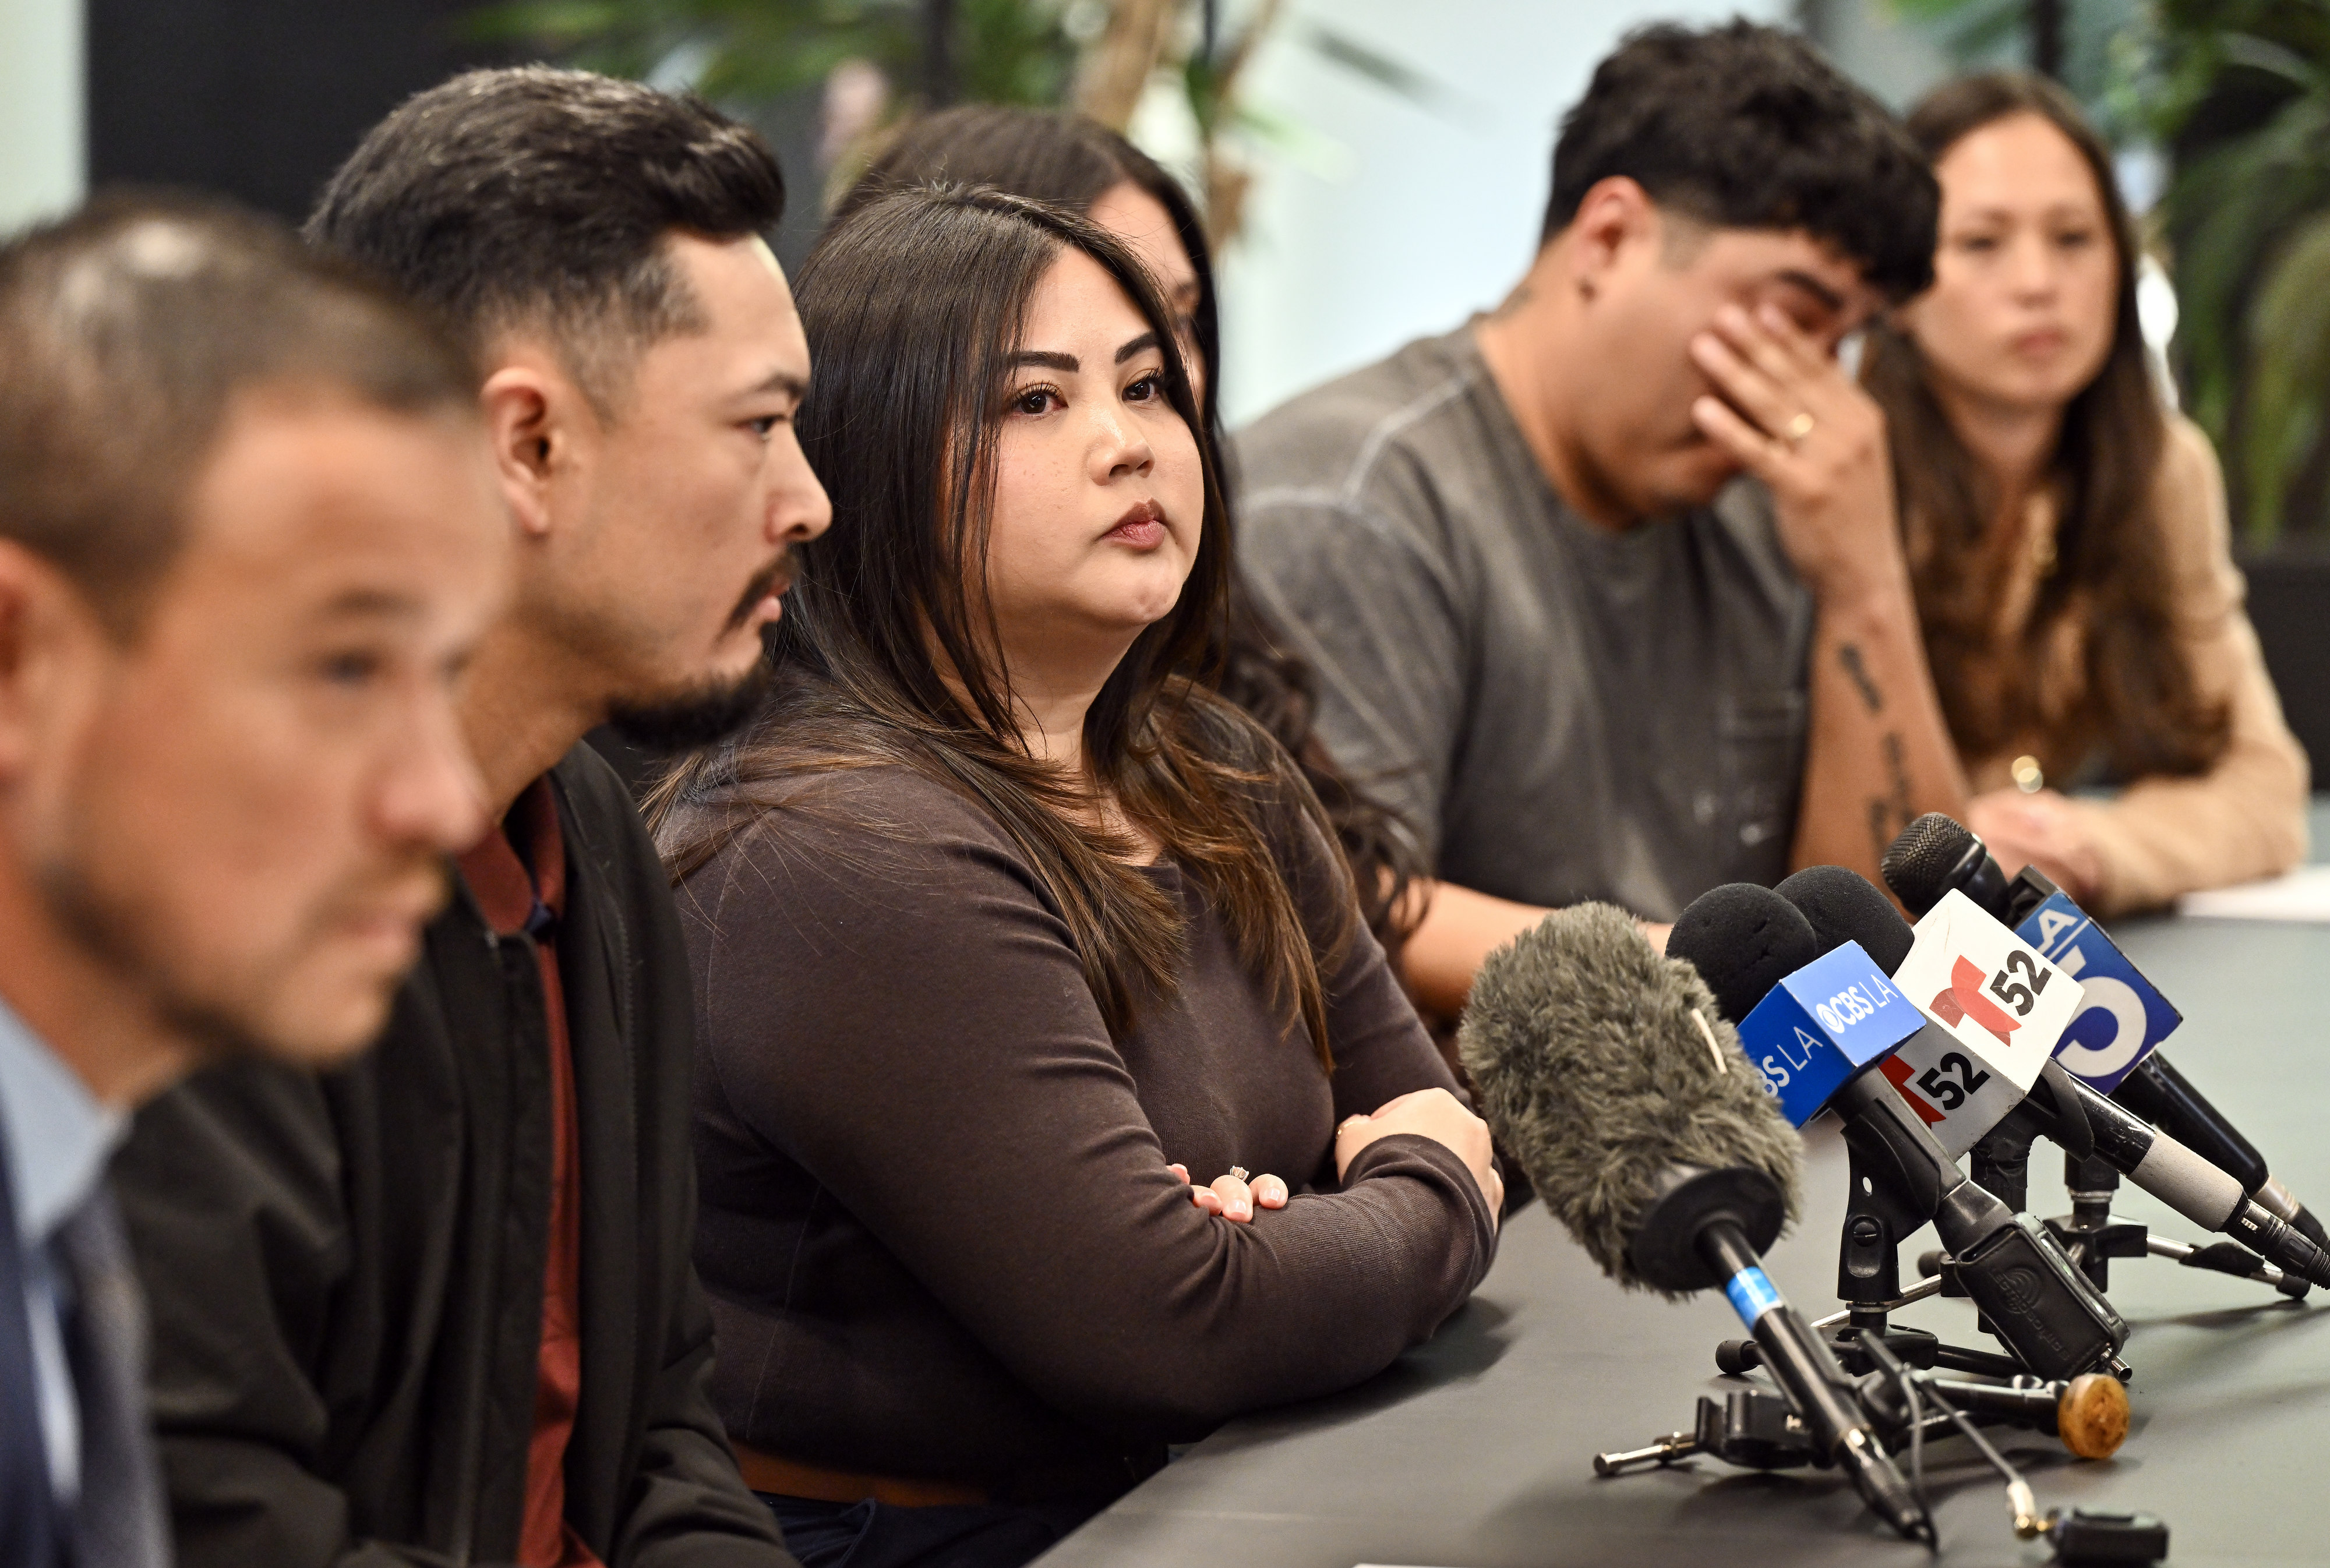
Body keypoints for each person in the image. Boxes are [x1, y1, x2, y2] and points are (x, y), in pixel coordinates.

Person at [651, 186, 1501, 1568]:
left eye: (1147, 383)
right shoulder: (838, 847)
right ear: (863, 461)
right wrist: (1402, 1195)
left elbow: (1419, 1101)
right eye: (1032, 403)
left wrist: (1334, 1223)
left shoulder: (1209, 766)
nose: (1129, 447)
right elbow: (1174, 1326)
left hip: (1207, 1491)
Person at [108, 69, 830, 1567]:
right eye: (758, 425)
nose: (808, 498)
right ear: (524, 443)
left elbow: (660, 1418)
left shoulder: (594, 843)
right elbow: (201, 1505)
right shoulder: (200, 877)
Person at [1237, 20, 1964, 1018]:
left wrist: (1865, 586)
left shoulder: (1773, 508)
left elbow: (1902, 938)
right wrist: (1729, 972)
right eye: (1796, 315)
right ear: (1610, 238)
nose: (1816, 395)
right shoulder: (1355, 500)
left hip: (1747, 1126)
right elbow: (1333, 915)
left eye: (1845, 344)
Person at [0, 195, 506, 1567]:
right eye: (345, 665)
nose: (444, 798)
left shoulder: (58, 1188)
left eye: (447, 674)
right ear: (16, 662)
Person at [832, 105, 1427, 967]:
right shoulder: (866, 841)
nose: (1133, 432)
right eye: (1038, 395)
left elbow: (1360, 916)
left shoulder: (1205, 740)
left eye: (1155, 355)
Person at [1862, 72, 2308, 913]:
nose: (2038, 282)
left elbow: (2262, 789)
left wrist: (2090, 847)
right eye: (1982, 243)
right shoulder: (1830, 478)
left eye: (2074, 238)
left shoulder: (2158, 468)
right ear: (1895, 291)